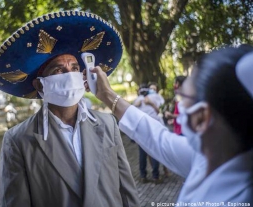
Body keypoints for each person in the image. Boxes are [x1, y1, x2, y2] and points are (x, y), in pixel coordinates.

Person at [0, 11, 139, 207]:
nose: (70, 75)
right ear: (40, 86)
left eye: (75, 68)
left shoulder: (108, 123)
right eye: (59, 70)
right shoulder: (18, 140)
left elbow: (127, 190)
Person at [85, 44, 253, 204]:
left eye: (183, 97)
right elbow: (156, 137)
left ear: (201, 118)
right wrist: (107, 95)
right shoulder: (209, 157)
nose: (179, 105)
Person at [133, 83, 165, 184]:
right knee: (154, 152)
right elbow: (161, 106)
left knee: (142, 154)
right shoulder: (155, 97)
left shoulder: (138, 100)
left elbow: (132, 113)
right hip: (153, 128)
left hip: (141, 129)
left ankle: (143, 176)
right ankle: (155, 176)